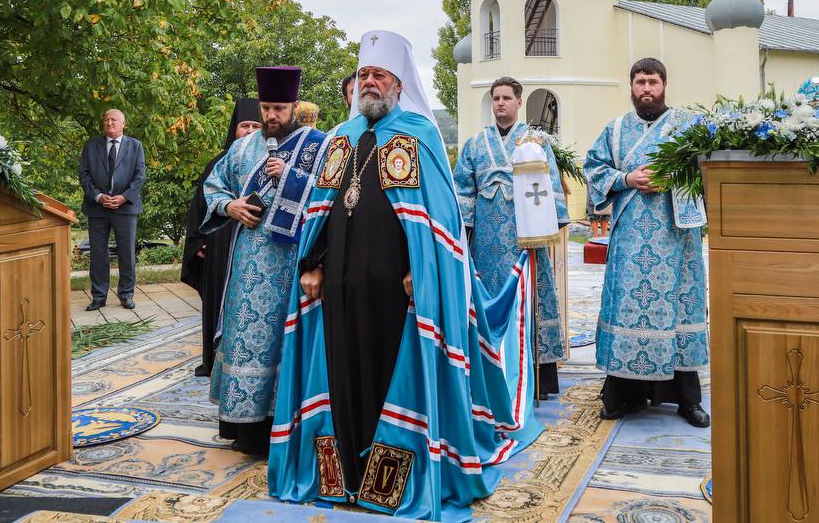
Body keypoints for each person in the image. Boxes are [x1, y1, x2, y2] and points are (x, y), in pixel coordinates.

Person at [270, 31, 540, 519]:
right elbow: (321, 212)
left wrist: (423, 272)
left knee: (391, 374)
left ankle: (389, 482)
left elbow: (438, 220)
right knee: (341, 374)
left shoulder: (419, 135)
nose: (369, 83)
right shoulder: (341, 137)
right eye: (364, 75)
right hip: (340, 286)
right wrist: (314, 265)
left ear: (398, 83)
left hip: (397, 290)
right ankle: (345, 477)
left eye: (379, 75)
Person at [202, 68, 327, 454]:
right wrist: (231, 206)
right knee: (245, 338)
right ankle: (245, 428)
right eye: (267, 107)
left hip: (294, 261)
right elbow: (214, 186)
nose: (272, 115)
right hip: (248, 265)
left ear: (294, 106)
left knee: (286, 340)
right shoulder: (242, 149)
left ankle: (285, 426)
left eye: (279, 108)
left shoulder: (318, 146)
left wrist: (291, 176)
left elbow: (331, 198)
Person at [583, 58, 709, 427]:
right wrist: (627, 179)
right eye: (640, 82)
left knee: (678, 310)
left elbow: (707, 168)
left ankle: (686, 398)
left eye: (653, 81)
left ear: (664, 85)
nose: (646, 89)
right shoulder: (616, 129)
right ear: (632, 86)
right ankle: (622, 395)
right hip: (631, 238)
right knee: (628, 309)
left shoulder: (687, 126)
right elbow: (593, 168)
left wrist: (673, 178)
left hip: (676, 237)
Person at [454, 76, 569, 398]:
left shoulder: (536, 142)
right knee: (487, 301)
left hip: (525, 239)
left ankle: (536, 377)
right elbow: (463, 189)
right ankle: (490, 373)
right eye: (496, 98)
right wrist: (463, 232)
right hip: (485, 243)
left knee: (529, 300)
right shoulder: (476, 144)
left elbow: (552, 183)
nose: (500, 103)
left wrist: (550, 226)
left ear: (519, 102)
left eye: (506, 98)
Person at [181, 98, 259, 377]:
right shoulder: (218, 162)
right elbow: (200, 204)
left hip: (256, 244)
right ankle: (215, 361)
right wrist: (197, 240)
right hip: (220, 244)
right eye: (244, 125)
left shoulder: (271, 162)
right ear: (234, 128)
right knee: (218, 301)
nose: (250, 131)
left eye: (256, 126)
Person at [78, 109, 146, 311]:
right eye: (106, 119)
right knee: (98, 254)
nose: (109, 123)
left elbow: (140, 176)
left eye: (114, 119)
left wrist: (124, 197)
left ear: (123, 123)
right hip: (97, 208)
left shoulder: (135, 146)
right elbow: (83, 175)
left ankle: (126, 295)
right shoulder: (91, 146)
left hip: (126, 207)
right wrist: (98, 196)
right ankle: (99, 297)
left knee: (127, 253)